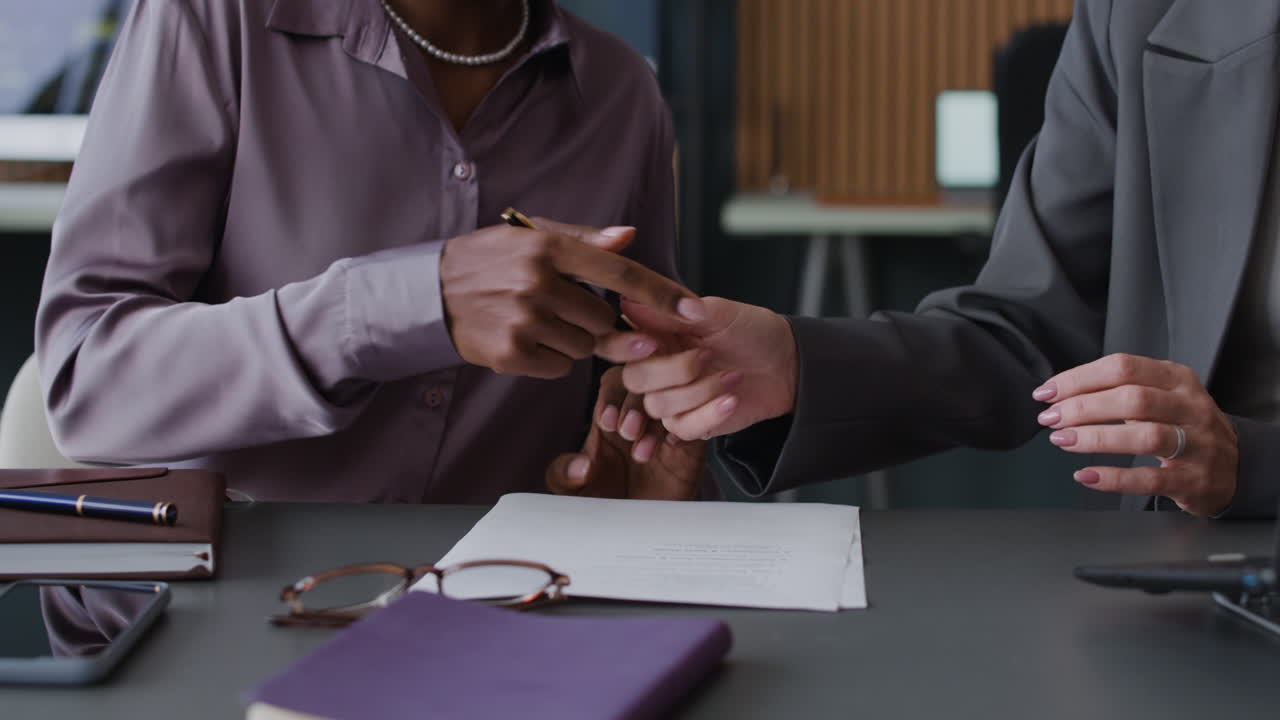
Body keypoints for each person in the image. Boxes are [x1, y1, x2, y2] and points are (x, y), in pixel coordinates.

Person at [577, 0, 1280, 519]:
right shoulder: (1140, 15)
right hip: (1180, 587)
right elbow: (1025, 327)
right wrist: (794, 364)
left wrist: (1250, 465)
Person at [35, 0, 708, 503]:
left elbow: (636, 413)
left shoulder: (621, 94)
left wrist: (636, 495)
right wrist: (402, 307)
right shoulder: (215, 20)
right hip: (216, 614)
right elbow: (87, 385)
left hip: (506, 611)